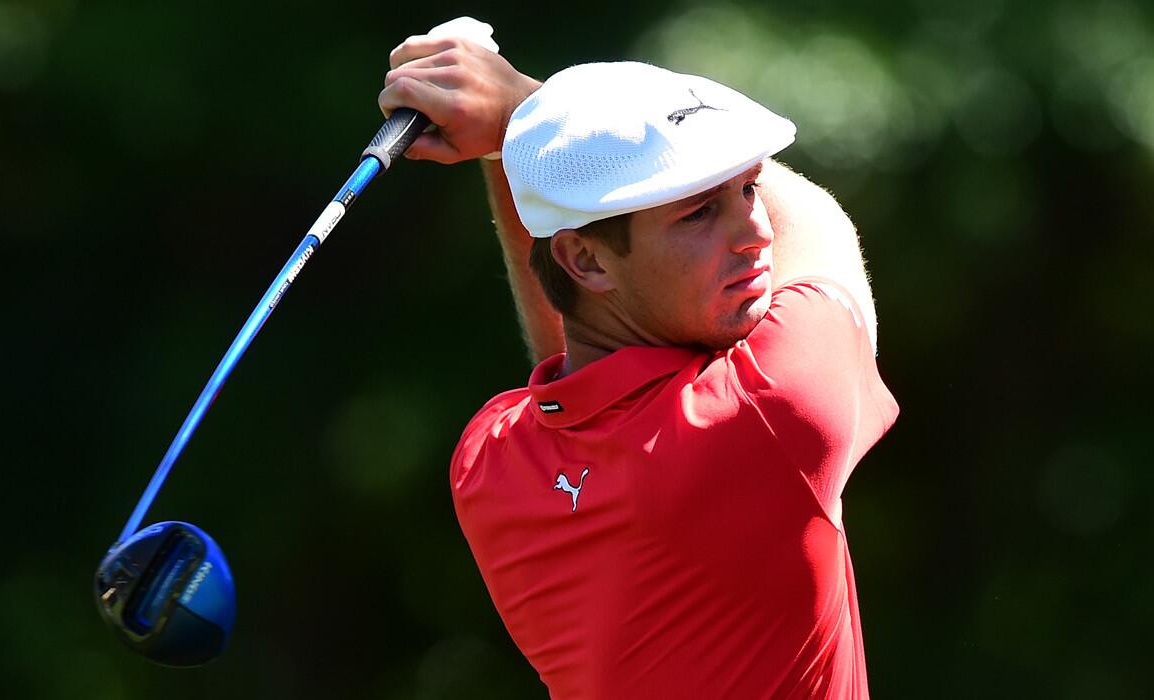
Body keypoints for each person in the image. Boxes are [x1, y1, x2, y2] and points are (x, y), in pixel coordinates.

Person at [380, 33, 900, 699]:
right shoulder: (775, 408)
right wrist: (519, 108)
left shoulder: (488, 459)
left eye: (749, 186)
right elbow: (820, 226)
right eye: (701, 212)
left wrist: (527, 144)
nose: (757, 229)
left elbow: (575, 342)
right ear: (588, 261)